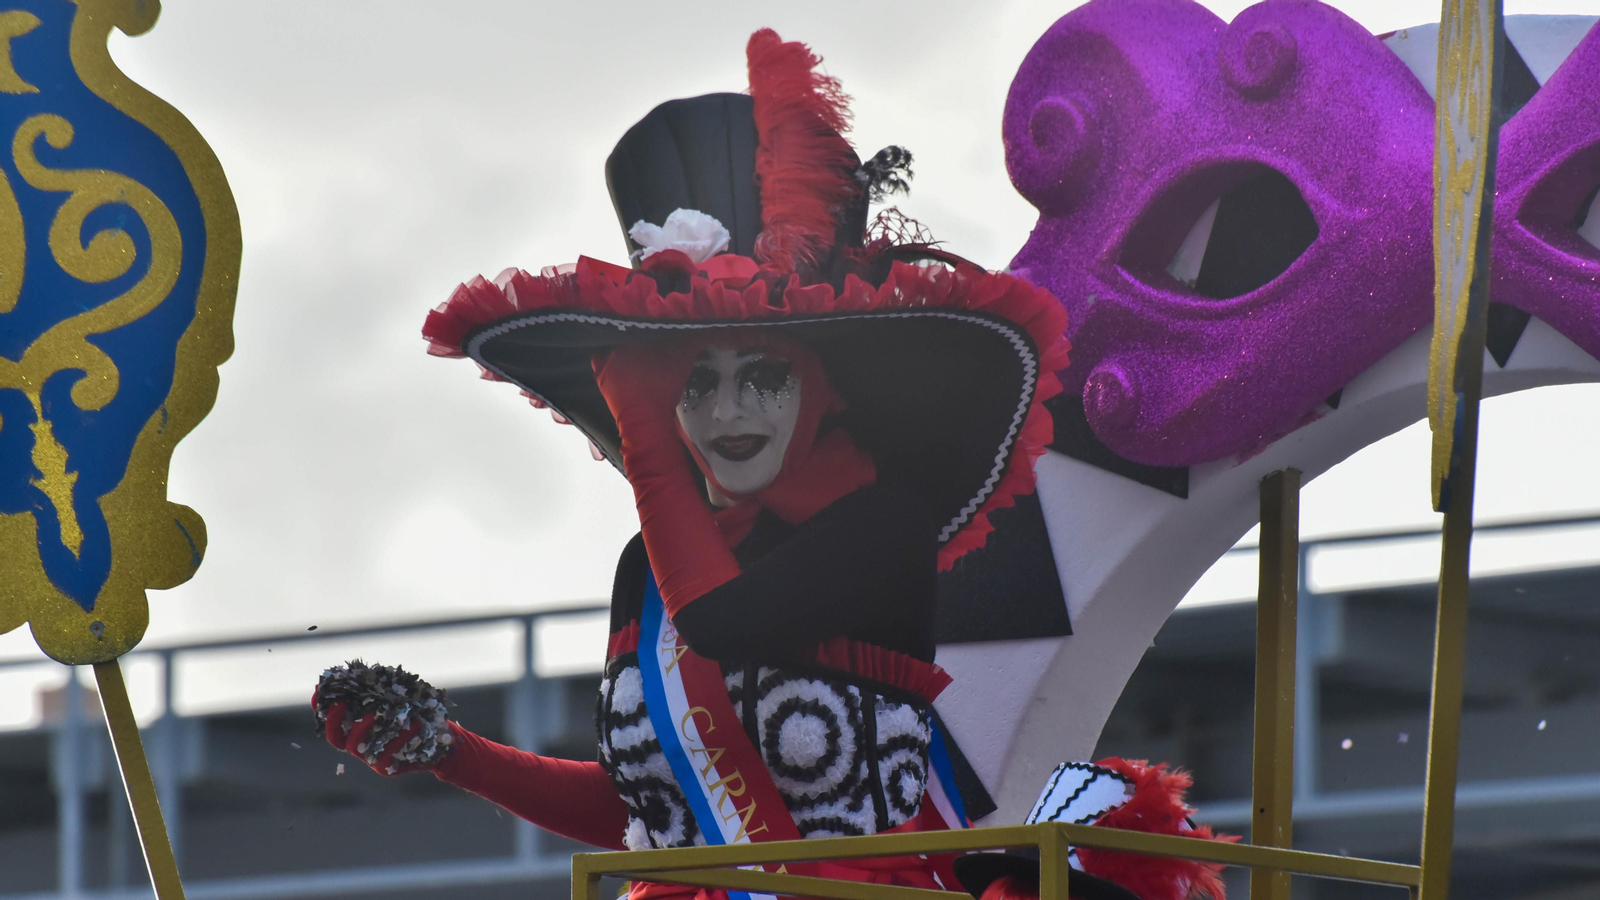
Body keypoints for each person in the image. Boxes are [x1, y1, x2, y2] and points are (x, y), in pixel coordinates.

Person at [315, 27, 1070, 897]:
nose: (725, 412)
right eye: (691, 382)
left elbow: (723, 622)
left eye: (762, 375)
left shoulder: (881, 523)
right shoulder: (646, 566)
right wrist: (452, 753)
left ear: (827, 387)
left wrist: (646, 434)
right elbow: (648, 813)